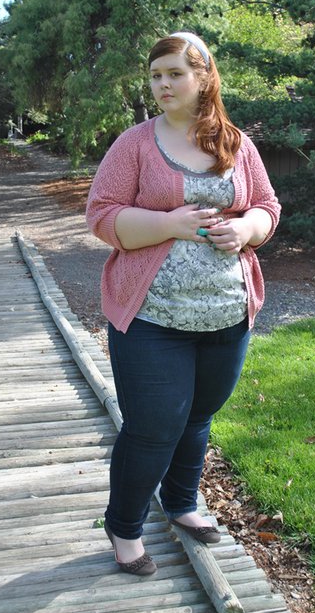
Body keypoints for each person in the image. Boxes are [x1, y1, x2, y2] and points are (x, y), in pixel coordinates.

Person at [86, 32, 281, 576]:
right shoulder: (135, 144)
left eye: (175, 73)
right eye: (156, 75)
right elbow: (102, 214)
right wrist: (168, 224)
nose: (163, 84)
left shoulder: (236, 143)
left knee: (197, 417)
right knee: (152, 427)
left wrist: (246, 228)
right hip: (152, 317)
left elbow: (267, 205)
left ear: (204, 77)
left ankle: (181, 503)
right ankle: (124, 526)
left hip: (226, 315)